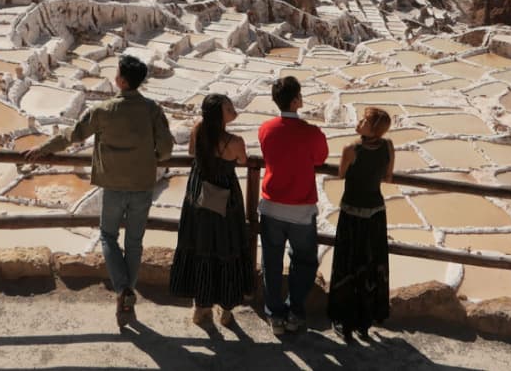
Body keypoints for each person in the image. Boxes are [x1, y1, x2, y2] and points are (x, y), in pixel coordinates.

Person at [25, 54, 174, 327]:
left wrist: (44, 148)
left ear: (122, 81)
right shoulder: (152, 109)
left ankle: (123, 289)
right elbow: (166, 149)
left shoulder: (103, 110)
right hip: (142, 185)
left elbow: (73, 135)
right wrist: (148, 158)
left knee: (107, 236)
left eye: (117, 73)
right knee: (135, 242)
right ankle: (127, 294)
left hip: (113, 185)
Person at [169, 94, 253, 327]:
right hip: (225, 198)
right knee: (227, 245)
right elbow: (242, 160)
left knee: (201, 244)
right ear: (218, 115)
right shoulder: (235, 142)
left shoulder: (198, 130)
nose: (233, 110)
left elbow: (191, 152)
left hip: (199, 194)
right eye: (229, 108)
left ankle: (201, 308)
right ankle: (226, 309)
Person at [257, 76, 328, 335]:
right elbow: (320, 158)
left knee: (272, 261)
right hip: (300, 210)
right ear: (296, 100)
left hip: (271, 207)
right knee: (304, 261)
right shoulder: (311, 133)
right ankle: (295, 312)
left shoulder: (266, 129)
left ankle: (274, 314)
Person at [328, 107, 395, 343]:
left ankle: (344, 321)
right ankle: (364, 322)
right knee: (370, 264)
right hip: (376, 213)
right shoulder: (388, 146)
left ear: (373, 128)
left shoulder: (351, 149)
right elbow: (388, 176)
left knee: (347, 264)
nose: (359, 121)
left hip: (352, 213)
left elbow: (341, 174)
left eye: (364, 120)